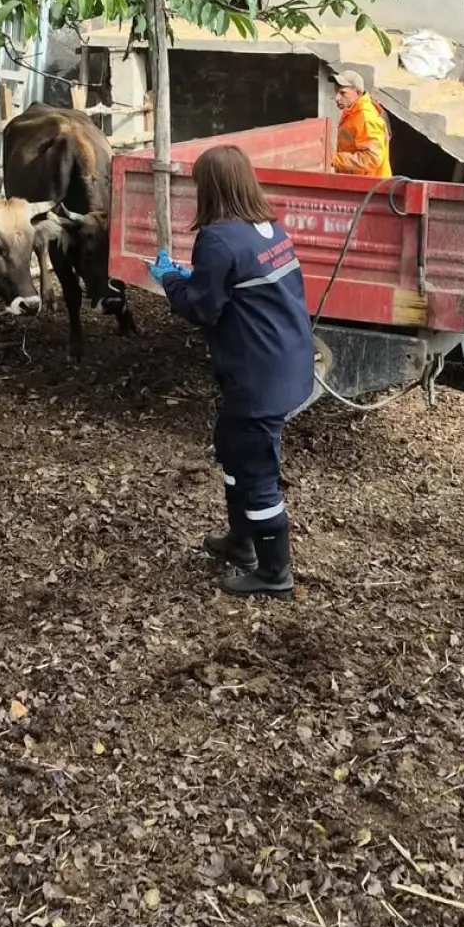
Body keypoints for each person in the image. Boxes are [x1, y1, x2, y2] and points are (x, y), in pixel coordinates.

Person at [148, 145, 315, 599]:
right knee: (232, 445)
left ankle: (274, 572)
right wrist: (191, 279)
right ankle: (242, 542)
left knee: (257, 469)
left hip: (258, 376)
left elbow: (202, 307)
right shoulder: (269, 229)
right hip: (286, 361)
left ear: (212, 188)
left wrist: (170, 280)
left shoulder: (218, 239)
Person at [331, 67, 391, 178]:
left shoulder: (366, 117)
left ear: (358, 92)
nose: (337, 98)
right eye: (336, 92)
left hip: (371, 188)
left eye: (342, 93)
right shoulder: (352, 112)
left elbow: (372, 159)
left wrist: (334, 159)